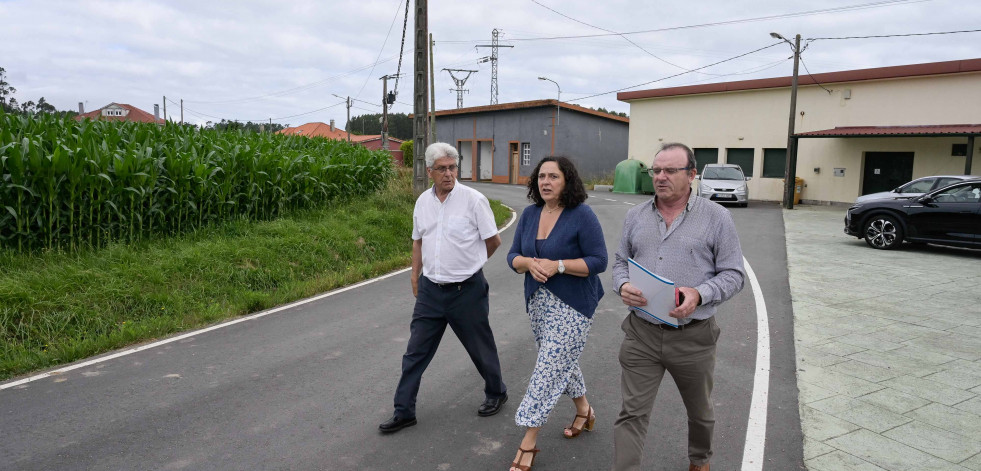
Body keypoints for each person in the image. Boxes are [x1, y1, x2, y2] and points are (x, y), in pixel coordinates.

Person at [611, 143, 746, 471]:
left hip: (693, 337)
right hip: (641, 333)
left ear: (691, 175)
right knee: (631, 414)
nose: (660, 177)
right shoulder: (635, 216)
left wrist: (699, 294)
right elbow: (619, 263)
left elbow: (733, 274)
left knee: (700, 413)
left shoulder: (716, 218)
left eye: (670, 171)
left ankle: (700, 460)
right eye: (656, 170)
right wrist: (623, 285)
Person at [379, 142, 508, 434]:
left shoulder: (474, 200)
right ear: (429, 172)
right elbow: (418, 241)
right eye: (442, 169)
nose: (448, 174)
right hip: (430, 291)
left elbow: (493, 241)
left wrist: (469, 265)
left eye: (452, 167)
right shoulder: (422, 202)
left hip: (467, 291)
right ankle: (404, 411)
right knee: (415, 353)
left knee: (480, 346)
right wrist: (415, 277)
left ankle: (496, 392)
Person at [505, 156, 608, 471]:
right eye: (541, 177)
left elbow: (599, 261)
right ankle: (584, 410)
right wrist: (528, 263)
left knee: (548, 367)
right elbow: (512, 256)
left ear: (567, 181)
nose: (545, 182)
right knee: (563, 361)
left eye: (553, 176)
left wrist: (559, 265)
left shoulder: (582, 215)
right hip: (538, 304)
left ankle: (528, 442)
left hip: (574, 305)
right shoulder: (530, 214)